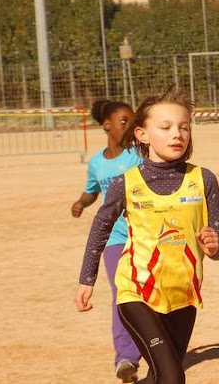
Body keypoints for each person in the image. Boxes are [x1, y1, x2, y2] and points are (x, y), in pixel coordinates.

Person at [75, 89, 219, 384]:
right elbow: (101, 227)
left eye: (184, 127)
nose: (177, 134)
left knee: (158, 377)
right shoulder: (127, 183)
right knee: (173, 378)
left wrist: (216, 245)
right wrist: (87, 279)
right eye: (166, 127)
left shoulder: (204, 179)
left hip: (184, 296)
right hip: (137, 294)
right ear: (142, 134)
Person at [71, 100, 143, 383]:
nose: (130, 127)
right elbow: (92, 191)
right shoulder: (98, 163)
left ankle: (153, 344)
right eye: (124, 122)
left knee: (147, 294)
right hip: (114, 239)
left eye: (133, 122)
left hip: (144, 236)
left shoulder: (139, 155)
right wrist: (81, 202)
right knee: (121, 294)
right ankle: (125, 358)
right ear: (107, 126)